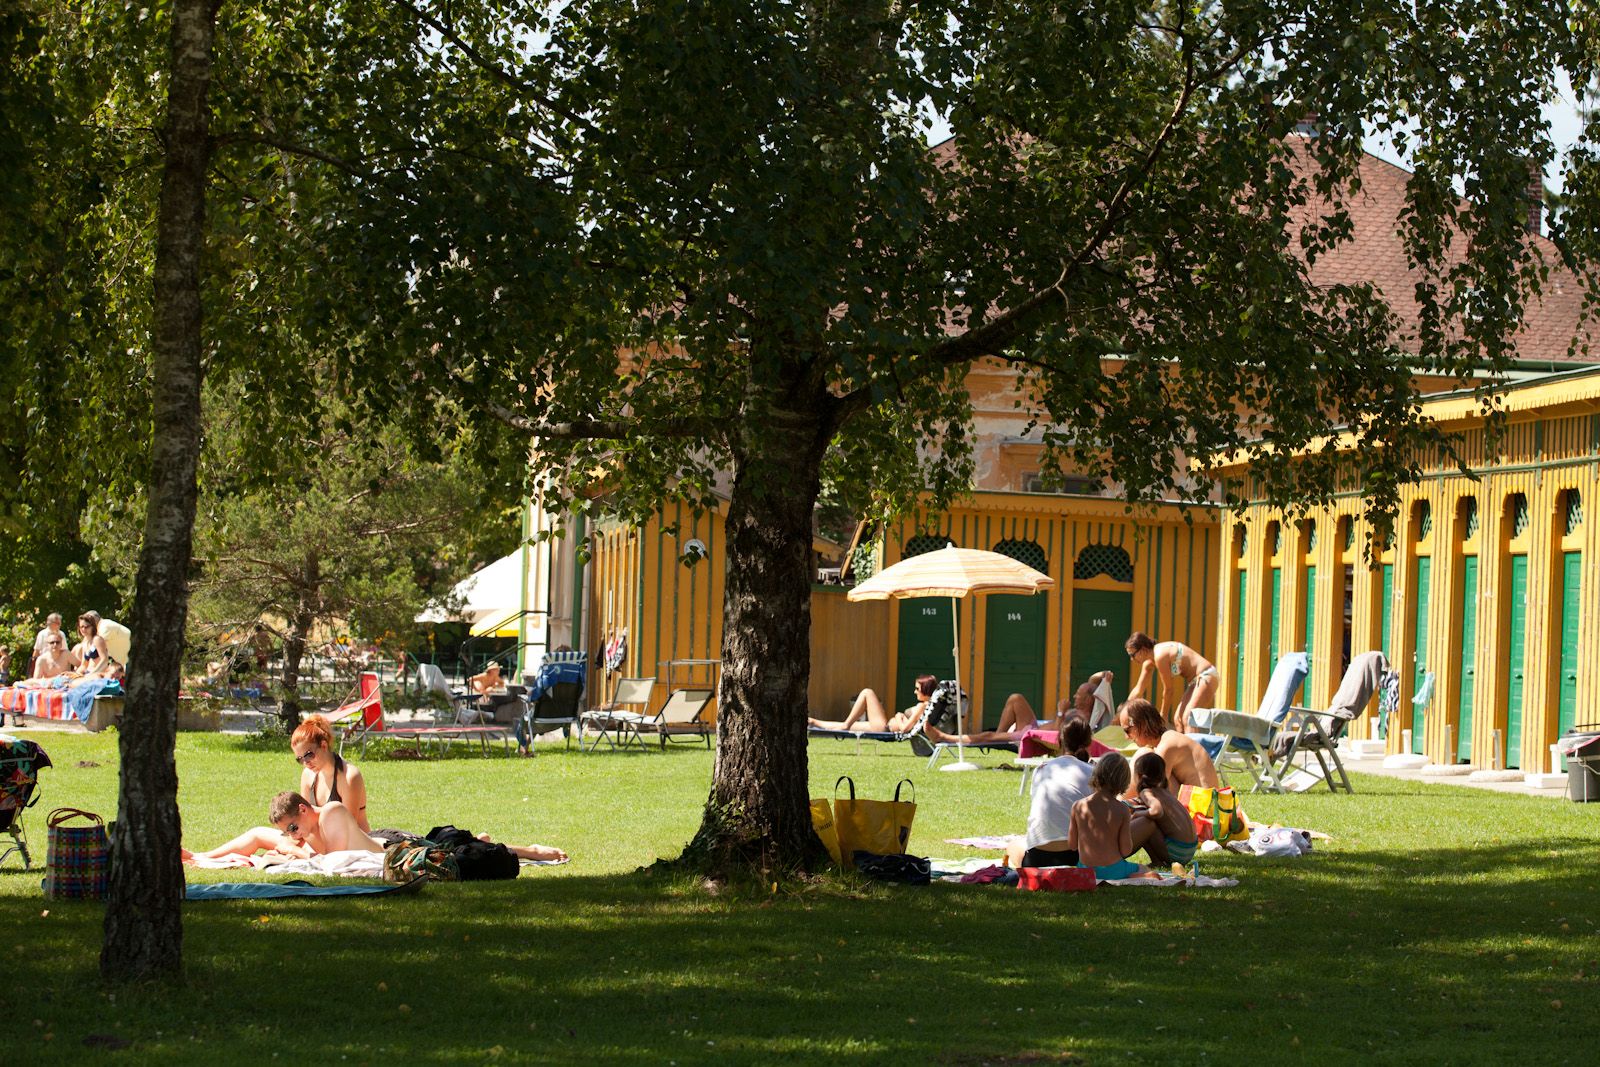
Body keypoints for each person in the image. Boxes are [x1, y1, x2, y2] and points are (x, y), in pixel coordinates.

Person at [1005, 719, 1096, 869]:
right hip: (1076, 856)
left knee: (1013, 845)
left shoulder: (1041, 770)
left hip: (1038, 857)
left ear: (1059, 742)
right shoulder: (1092, 772)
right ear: (1088, 743)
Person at [1067, 751, 1152, 881]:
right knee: (1144, 869)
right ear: (1123, 781)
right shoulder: (1122, 809)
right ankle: (1135, 876)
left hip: (1085, 870)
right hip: (1114, 870)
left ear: (1097, 774)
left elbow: (1072, 845)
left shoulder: (1078, 806)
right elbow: (1125, 850)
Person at [1120, 698, 1220, 798]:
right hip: (1204, 803)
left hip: (1202, 808)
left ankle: (1119, 804)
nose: (1126, 737)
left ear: (1142, 725)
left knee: (1144, 756)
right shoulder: (1167, 740)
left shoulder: (1166, 747)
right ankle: (1120, 803)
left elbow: (1153, 793)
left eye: (1127, 730)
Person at [1125, 632, 1219, 732]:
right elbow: (1138, 689)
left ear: (1143, 650)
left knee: (1188, 718)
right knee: (1178, 719)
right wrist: (1123, 712)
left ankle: (1193, 747)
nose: (1131, 659)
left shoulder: (1159, 655)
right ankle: (1182, 746)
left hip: (1206, 675)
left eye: (1132, 655)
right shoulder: (1149, 663)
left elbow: (1169, 690)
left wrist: (1163, 716)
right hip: (1195, 682)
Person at [293, 714, 369, 831]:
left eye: (308, 755)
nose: (306, 763)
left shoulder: (349, 776)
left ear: (323, 745)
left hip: (353, 844)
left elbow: (348, 828)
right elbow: (305, 820)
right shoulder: (308, 775)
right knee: (257, 834)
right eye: (300, 759)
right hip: (321, 840)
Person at [1128, 752, 1198, 868]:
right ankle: (1158, 861)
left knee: (1146, 821)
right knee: (1149, 817)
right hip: (1190, 849)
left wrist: (1136, 815)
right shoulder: (1165, 792)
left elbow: (1156, 811)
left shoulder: (1147, 792)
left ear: (1139, 775)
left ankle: (1156, 861)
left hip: (1177, 853)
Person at [515, 645, 586, 756]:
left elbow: (536, 696)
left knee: (527, 718)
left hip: (543, 718)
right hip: (565, 718)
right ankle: (525, 747)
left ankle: (524, 746)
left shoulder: (548, 677)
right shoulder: (575, 679)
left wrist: (529, 696)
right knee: (532, 716)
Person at [808, 675, 937, 733]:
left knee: (867, 693)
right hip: (884, 726)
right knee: (851, 726)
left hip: (885, 728)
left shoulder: (923, 706)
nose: (915, 692)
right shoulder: (927, 706)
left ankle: (845, 725)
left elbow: (904, 729)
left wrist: (899, 716)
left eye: (917, 689)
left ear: (926, 689)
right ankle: (813, 722)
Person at [69, 611, 113, 679]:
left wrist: (92, 674)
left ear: (92, 627)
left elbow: (104, 660)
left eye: (86, 627)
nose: (83, 629)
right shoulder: (85, 643)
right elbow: (84, 665)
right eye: (81, 627)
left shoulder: (97, 639)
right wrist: (75, 674)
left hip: (98, 674)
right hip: (88, 673)